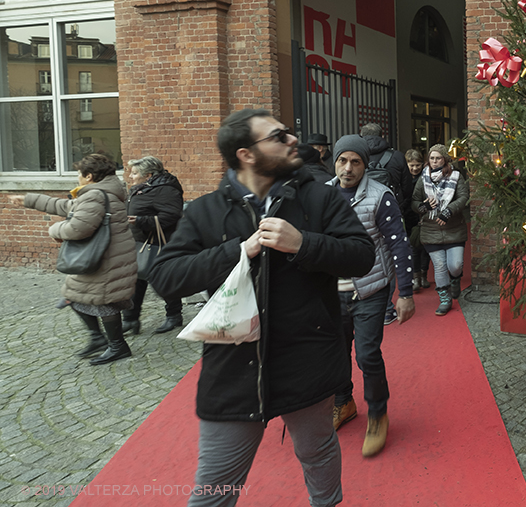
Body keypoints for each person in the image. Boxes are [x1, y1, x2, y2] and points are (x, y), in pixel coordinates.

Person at [147, 109, 374, 507]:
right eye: (278, 136)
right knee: (213, 489)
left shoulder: (319, 197)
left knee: (317, 454)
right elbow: (165, 276)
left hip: (308, 362)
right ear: (246, 154)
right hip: (234, 372)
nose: (292, 140)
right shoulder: (205, 211)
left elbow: (361, 255)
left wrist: (304, 243)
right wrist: (236, 252)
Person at [327, 135, 415, 457]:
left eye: (355, 162)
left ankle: (378, 414)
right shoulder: (322, 194)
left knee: (366, 355)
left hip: (370, 290)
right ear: (334, 162)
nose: (348, 168)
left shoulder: (380, 196)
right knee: (335, 354)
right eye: (342, 161)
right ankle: (343, 402)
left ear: (365, 165)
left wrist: (404, 292)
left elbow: (398, 244)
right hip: (331, 292)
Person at [10, 153, 137, 365]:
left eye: (79, 173)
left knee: (104, 301)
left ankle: (117, 346)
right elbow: (66, 207)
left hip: (104, 260)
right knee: (75, 296)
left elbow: (78, 228)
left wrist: (54, 229)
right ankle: (99, 339)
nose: (77, 177)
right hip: (105, 257)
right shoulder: (100, 193)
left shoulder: (96, 195)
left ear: (88, 176)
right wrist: (28, 199)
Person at [359, 122, 414, 325]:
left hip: (363, 212)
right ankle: (387, 309)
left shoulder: (357, 156)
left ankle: (366, 303)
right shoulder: (397, 157)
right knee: (391, 254)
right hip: (392, 211)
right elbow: (407, 187)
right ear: (382, 135)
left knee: (366, 254)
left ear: (361, 135)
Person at [123, 156, 185, 335]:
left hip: (158, 243)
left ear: (148, 175)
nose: (131, 177)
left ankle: (174, 315)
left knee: (162, 278)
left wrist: (142, 221)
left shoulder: (165, 189)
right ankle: (130, 319)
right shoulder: (144, 188)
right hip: (140, 242)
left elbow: (172, 215)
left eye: (134, 173)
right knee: (135, 280)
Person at [412, 145, 469, 316]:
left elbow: (463, 197)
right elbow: (414, 202)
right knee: (439, 265)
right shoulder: (423, 179)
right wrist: (423, 206)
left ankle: (456, 278)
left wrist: (448, 210)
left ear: (445, 158)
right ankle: (445, 298)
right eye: (432, 158)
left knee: (455, 265)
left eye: (438, 158)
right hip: (431, 229)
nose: (435, 161)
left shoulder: (456, 176)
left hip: (454, 228)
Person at [404, 149, 431, 292]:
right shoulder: (405, 178)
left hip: (424, 215)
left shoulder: (426, 177)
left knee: (425, 248)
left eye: (417, 165)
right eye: (412, 165)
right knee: (414, 247)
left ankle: (424, 275)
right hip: (410, 216)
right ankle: (416, 277)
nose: (415, 168)